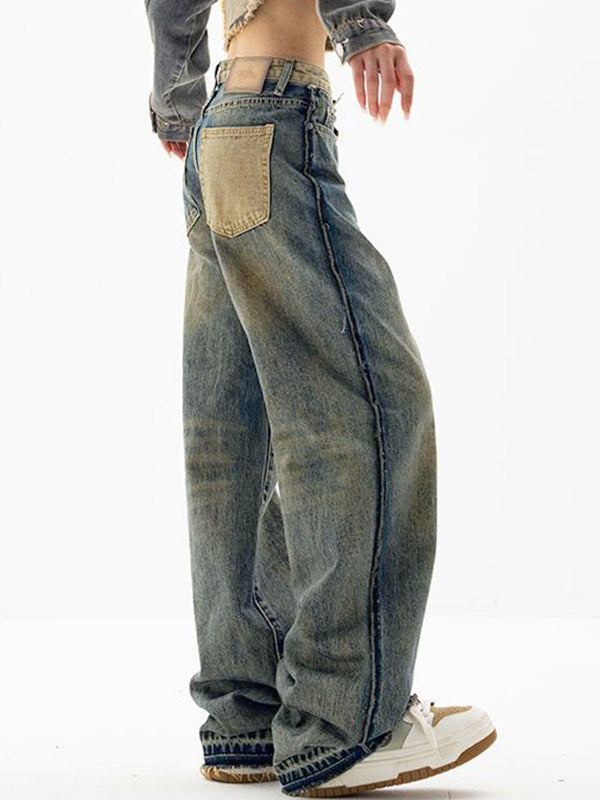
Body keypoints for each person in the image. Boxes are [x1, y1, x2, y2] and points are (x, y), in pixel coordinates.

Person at [144, 0, 497, 796]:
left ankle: (248, 716)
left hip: (223, 127)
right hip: (276, 121)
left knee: (230, 440)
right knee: (371, 409)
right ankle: (347, 723)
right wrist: (360, 21)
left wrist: (176, 92)